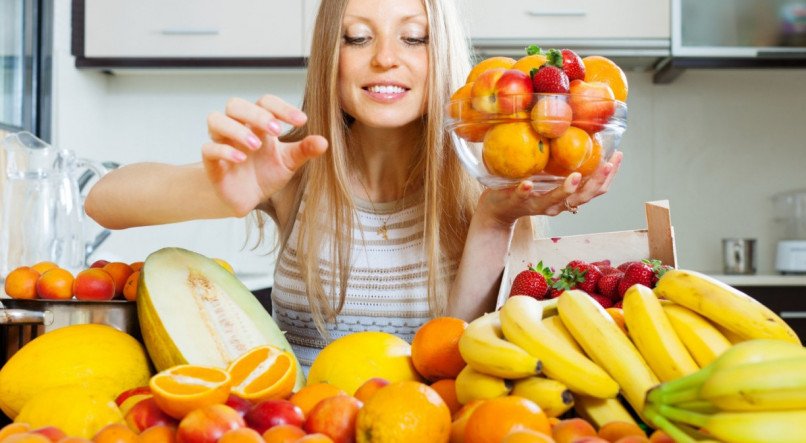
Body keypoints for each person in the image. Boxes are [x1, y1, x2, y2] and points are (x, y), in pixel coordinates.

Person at [85, 0, 622, 368]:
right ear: (330, 58)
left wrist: (494, 220)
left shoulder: (490, 179)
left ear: (443, 58)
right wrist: (220, 191)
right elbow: (103, 201)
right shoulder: (294, 165)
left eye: (414, 38)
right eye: (358, 37)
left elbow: (454, 365)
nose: (385, 56)